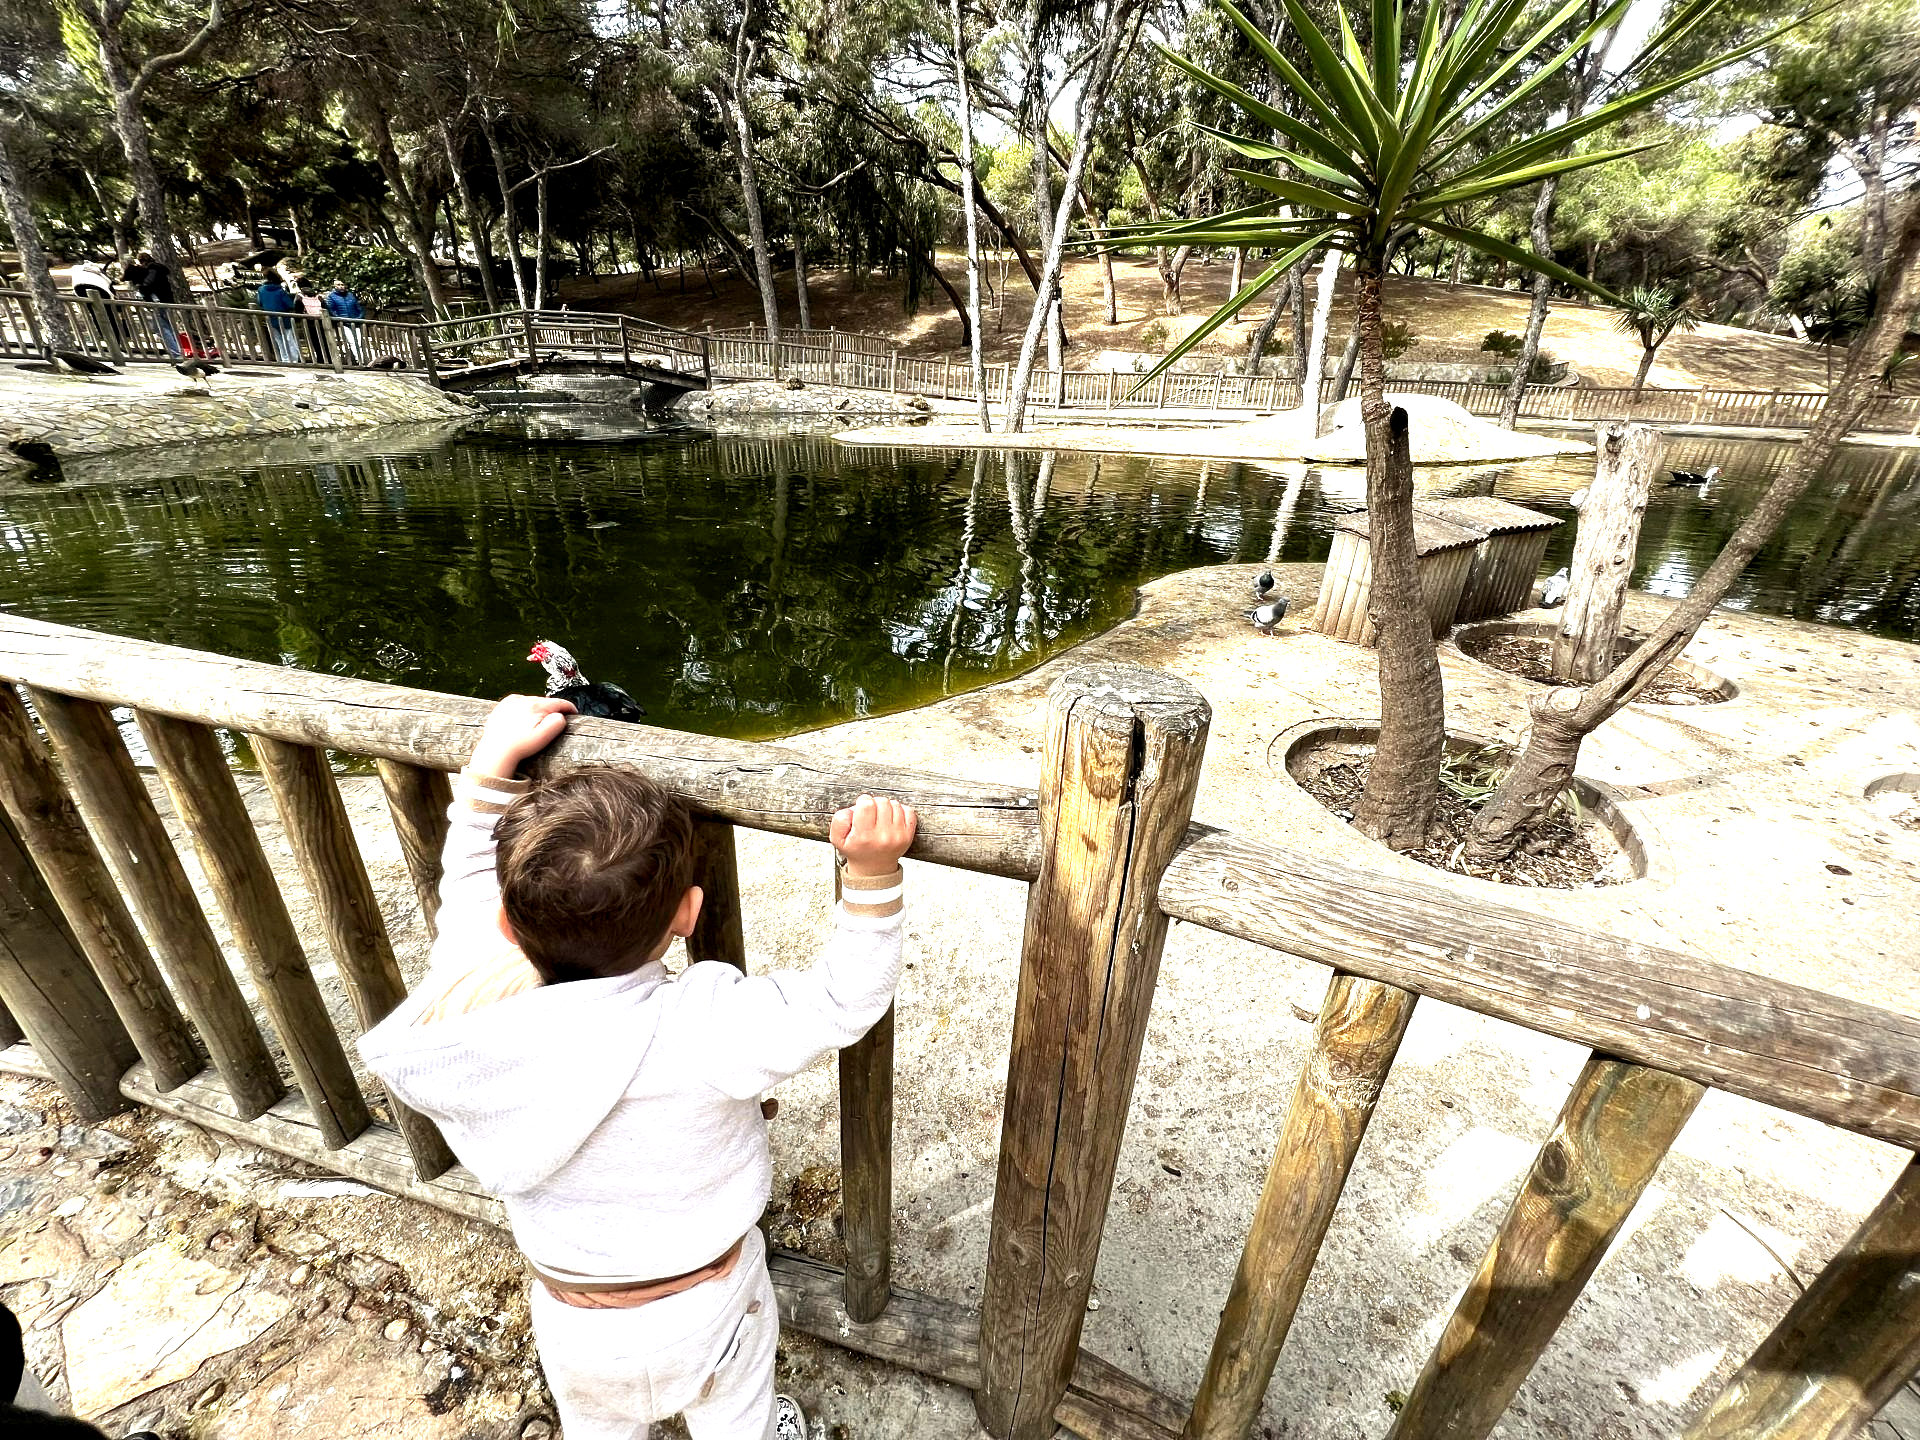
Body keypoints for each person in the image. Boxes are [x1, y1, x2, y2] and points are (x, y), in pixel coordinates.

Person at [358, 696, 916, 1440]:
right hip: (710, 1301)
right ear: (688, 914)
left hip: (573, 1312)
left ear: (504, 921)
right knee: (737, 1412)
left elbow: (466, 887)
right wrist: (872, 874)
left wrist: (492, 768)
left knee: (599, 1429)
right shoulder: (704, 1025)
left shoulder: (473, 1009)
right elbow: (844, 999)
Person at [123, 250, 182, 358]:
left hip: (160, 302)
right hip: (165, 300)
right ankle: (178, 352)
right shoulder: (156, 269)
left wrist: (141, 288)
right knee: (167, 327)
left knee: (161, 328)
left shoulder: (153, 269)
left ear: (143, 261)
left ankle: (176, 354)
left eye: (140, 262)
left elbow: (149, 284)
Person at [256, 270, 301, 364]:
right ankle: (293, 360)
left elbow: (260, 302)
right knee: (289, 339)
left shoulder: (261, 290)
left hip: (270, 318)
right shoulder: (280, 291)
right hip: (284, 318)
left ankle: (283, 359)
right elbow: (289, 305)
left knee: (278, 340)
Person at [324, 278, 366, 364]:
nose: (341, 287)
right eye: (338, 285)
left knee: (358, 341)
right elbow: (331, 310)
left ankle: (359, 359)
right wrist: (340, 319)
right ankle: (360, 360)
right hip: (344, 323)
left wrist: (359, 318)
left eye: (342, 284)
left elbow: (359, 308)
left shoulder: (350, 295)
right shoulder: (331, 297)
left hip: (355, 322)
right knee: (351, 341)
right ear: (334, 286)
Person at [295, 278, 332, 366]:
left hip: (309, 322)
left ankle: (320, 360)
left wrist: (298, 318)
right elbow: (324, 306)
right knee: (325, 341)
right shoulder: (317, 295)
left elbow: (297, 307)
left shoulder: (300, 296)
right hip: (321, 321)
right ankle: (329, 360)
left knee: (315, 342)